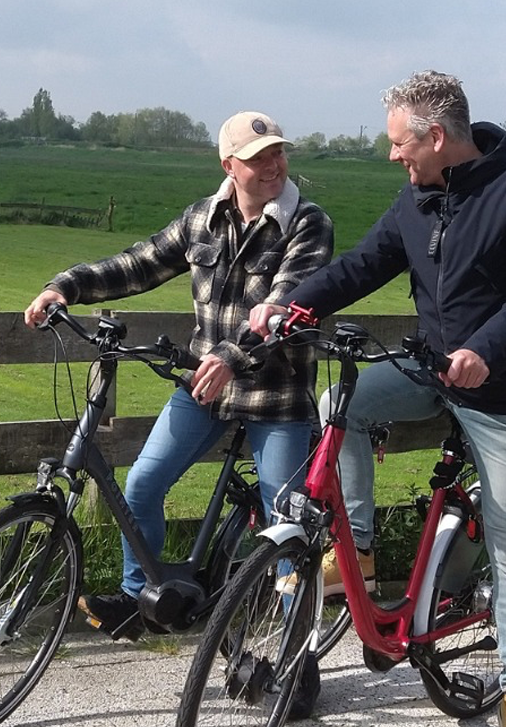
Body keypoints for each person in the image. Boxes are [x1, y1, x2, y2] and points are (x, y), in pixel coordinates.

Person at [251, 71, 506, 727]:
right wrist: (292, 303)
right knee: (347, 400)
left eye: (401, 144)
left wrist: (486, 352)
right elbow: (363, 264)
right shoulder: (415, 200)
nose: (394, 155)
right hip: (431, 371)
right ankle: (358, 548)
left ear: (435, 135)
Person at [23, 111, 334, 651]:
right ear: (228, 165)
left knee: (287, 527)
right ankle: (140, 600)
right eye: (258, 158)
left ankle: (294, 657)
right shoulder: (202, 220)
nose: (273, 166)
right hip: (203, 391)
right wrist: (64, 287)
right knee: (141, 485)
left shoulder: (308, 224)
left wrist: (234, 355)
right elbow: (137, 264)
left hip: (276, 398)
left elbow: (289, 299)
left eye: (278, 154)